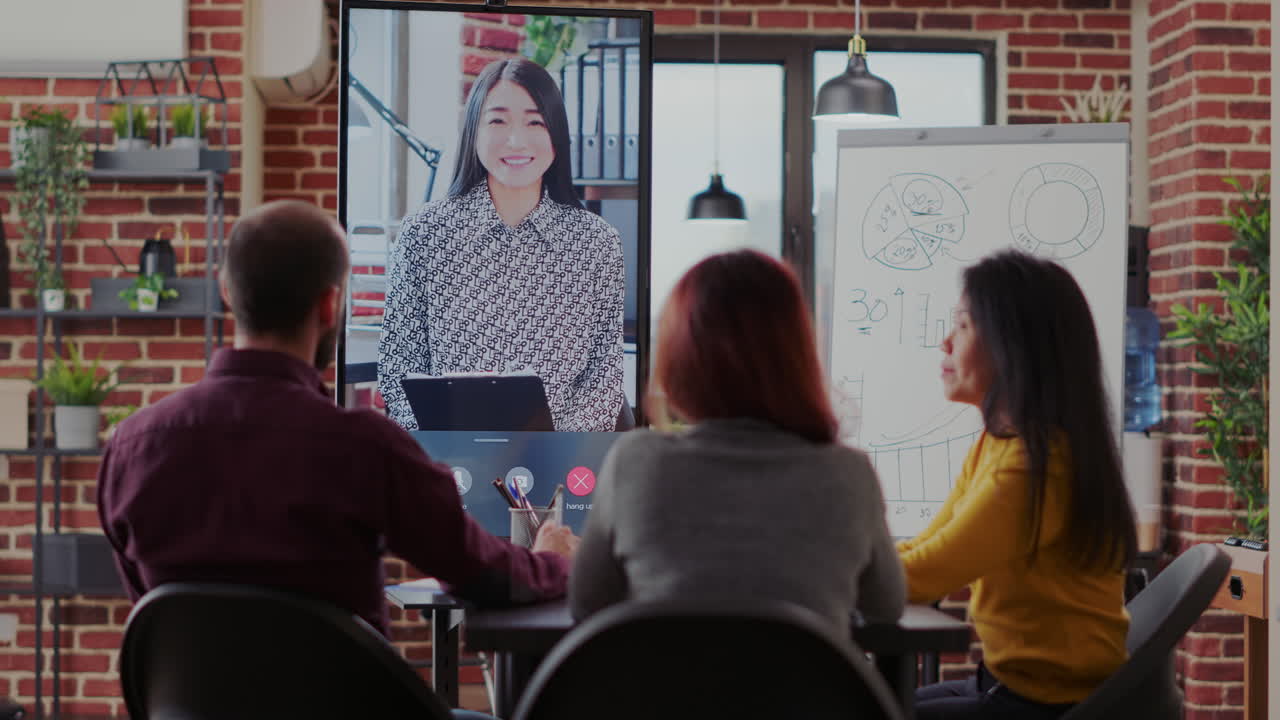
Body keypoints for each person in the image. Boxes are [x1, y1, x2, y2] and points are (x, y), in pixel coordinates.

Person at [98, 201, 578, 644]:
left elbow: (154, 610)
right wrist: (552, 559)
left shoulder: (130, 448)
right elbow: (481, 572)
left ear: (227, 292)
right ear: (330, 305)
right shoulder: (366, 448)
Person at [569, 249, 905, 636]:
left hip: (662, 695)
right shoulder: (849, 474)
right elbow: (885, 607)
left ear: (679, 358)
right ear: (797, 355)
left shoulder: (635, 463)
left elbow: (587, 602)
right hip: (803, 696)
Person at [898, 250, 1138, 719]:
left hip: (1047, 707)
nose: (945, 342)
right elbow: (927, 549)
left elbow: (929, 573)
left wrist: (828, 571)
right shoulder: (999, 444)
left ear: (1012, 345)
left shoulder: (1034, 465)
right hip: (1009, 688)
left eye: (963, 326)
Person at [379, 57, 625, 433]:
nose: (516, 140)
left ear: (556, 135)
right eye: (498, 120)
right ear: (473, 131)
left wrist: (557, 454)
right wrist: (438, 453)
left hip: (560, 470)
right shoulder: (424, 232)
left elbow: (603, 378)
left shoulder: (596, 242)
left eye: (534, 122)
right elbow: (400, 367)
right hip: (446, 464)